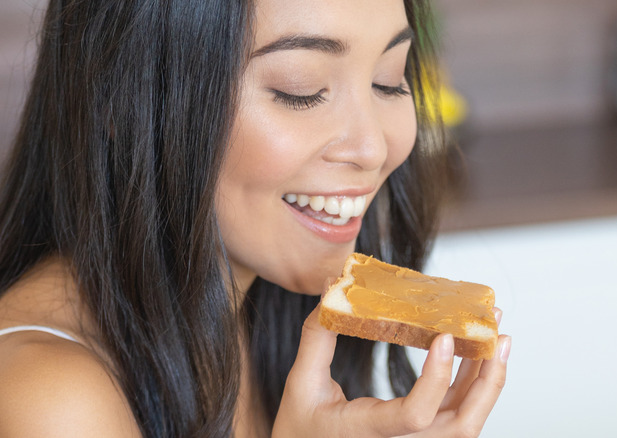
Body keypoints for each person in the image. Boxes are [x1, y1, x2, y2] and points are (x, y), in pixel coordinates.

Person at [0, 0, 511, 436]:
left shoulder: (267, 320)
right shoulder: (50, 400)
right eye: (301, 89)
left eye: (389, 80)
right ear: (118, 96)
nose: (372, 147)